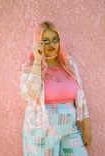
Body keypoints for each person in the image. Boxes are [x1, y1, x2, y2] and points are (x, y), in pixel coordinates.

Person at [20, 21, 92, 156]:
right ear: (38, 43)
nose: (52, 44)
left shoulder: (68, 63)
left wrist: (86, 127)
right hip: (42, 131)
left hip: (69, 129)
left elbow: (81, 96)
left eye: (55, 40)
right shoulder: (30, 66)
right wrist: (37, 61)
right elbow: (29, 95)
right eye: (45, 41)